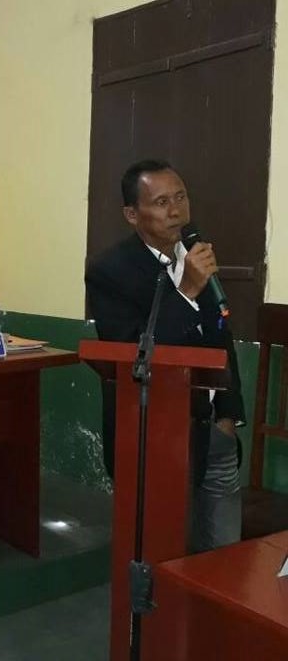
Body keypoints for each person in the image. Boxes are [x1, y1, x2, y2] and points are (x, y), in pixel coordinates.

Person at [85, 159, 246, 553]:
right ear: (132, 214)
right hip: (154, 437)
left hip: (215, 430)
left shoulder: (197, 255)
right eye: (161, 202)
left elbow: (220, 335)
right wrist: (186, 291)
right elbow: (135, 354)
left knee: (224, 555)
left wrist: (228, 416)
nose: (176, 210)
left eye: (180, 197)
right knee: (166, 552)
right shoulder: (109, 271)